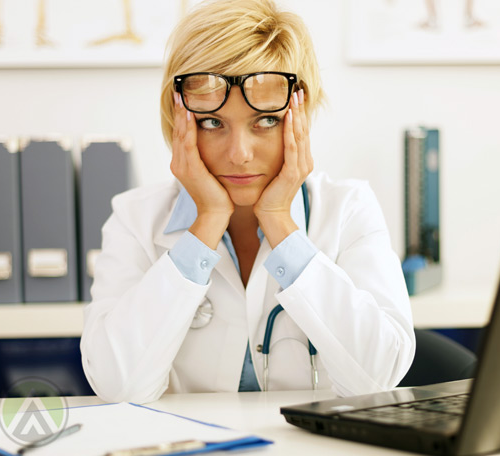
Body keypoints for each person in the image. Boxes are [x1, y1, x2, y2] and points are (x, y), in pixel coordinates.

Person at [80, 0, 415, 404]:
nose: (239, 153)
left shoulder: (349, 209)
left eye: (266, 120)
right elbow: (119, 387)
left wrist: (280, 223)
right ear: (179, 117)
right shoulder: (135, 219)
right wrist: (206, 223)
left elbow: (377, 380)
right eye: (212, 122)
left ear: (300, 115)